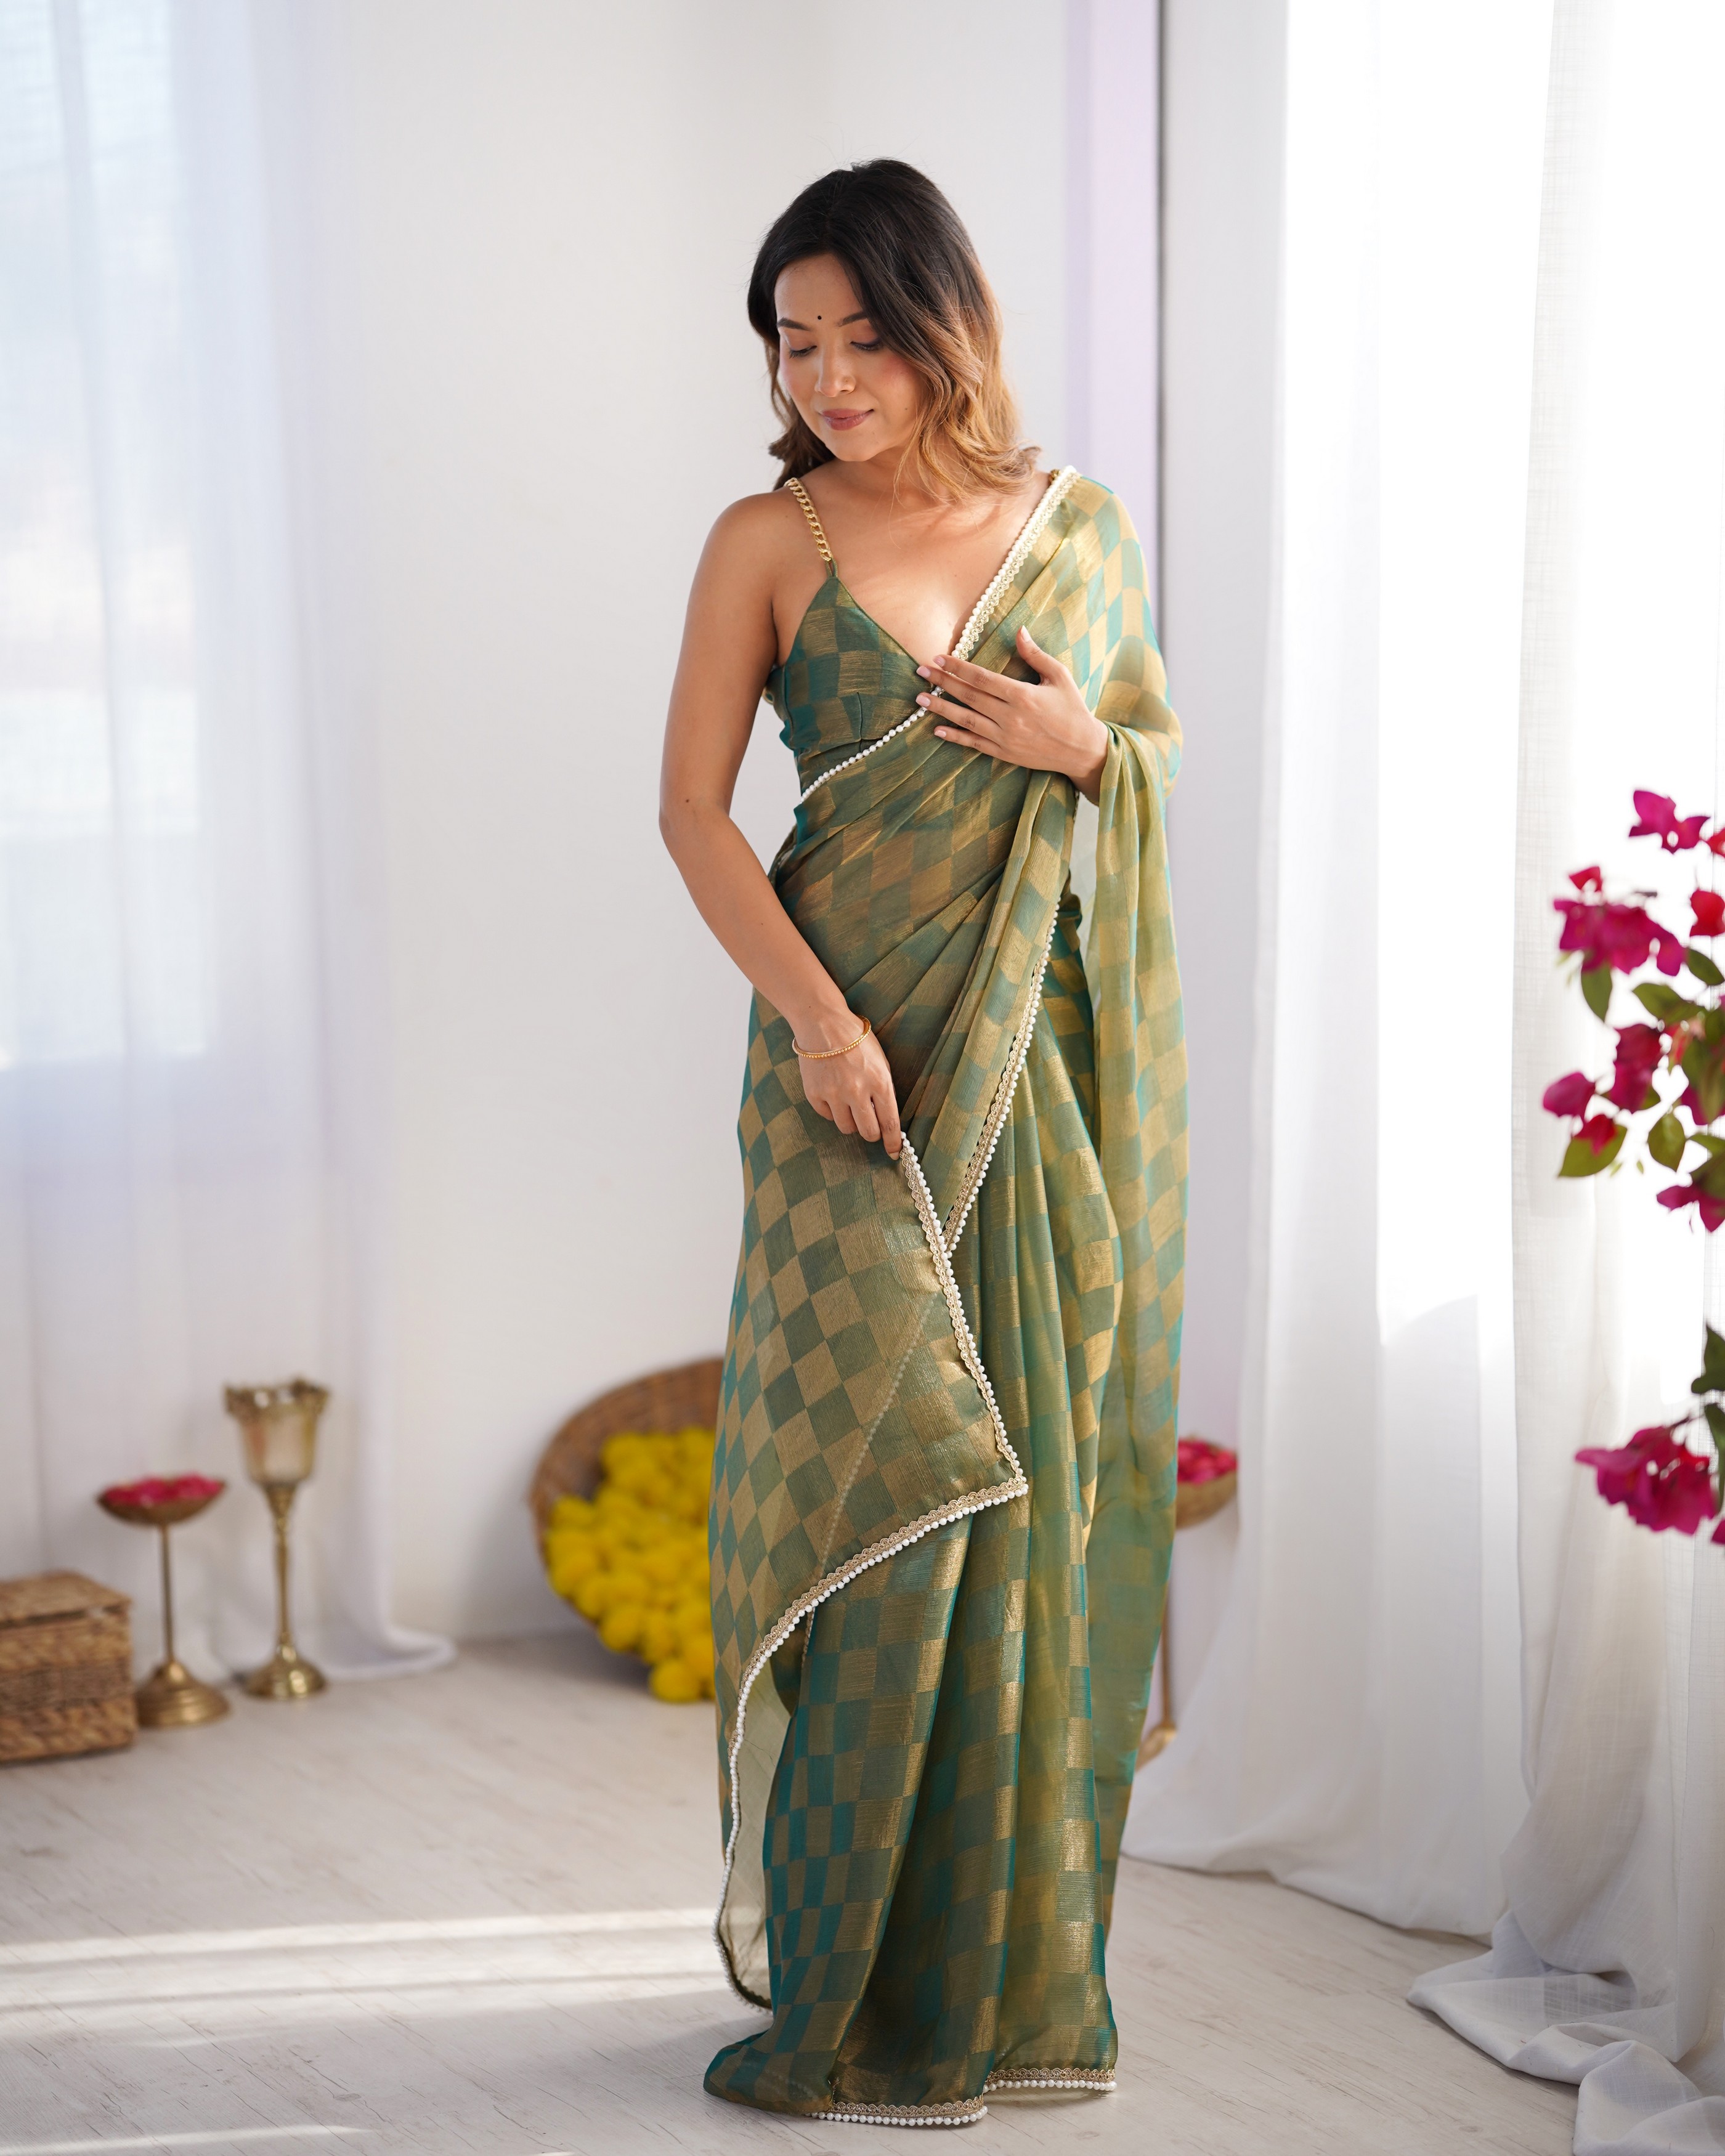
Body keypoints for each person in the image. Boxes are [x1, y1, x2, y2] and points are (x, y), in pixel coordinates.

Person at [659, 158, 1186, 2130]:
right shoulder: (764, 537)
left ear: (945, 327)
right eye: (797, 344)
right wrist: (816, 1018)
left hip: (1025, 1074)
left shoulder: (1081, 529)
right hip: (842, 1072)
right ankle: (844, 1989)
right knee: (870, 1492)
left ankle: (990, 1985)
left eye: (864, 337)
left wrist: (1087, 752)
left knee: (1017, 1507)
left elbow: (1142, 759)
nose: (830, 379)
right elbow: (693, 811)